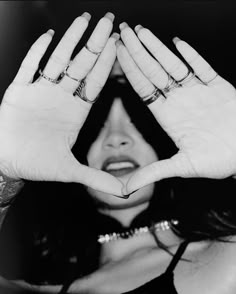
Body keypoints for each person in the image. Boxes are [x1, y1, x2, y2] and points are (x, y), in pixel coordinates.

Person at [1, 10, 236, 294]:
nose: (116, 138)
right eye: (94, 117)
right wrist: (4, 173)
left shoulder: (227, 263)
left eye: (139, 112)